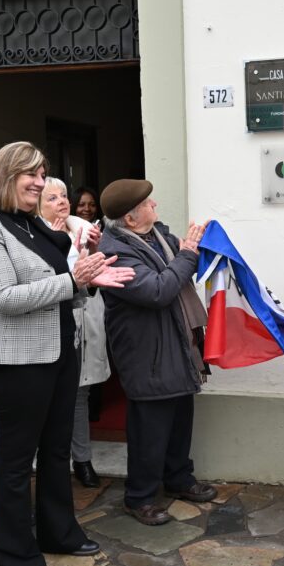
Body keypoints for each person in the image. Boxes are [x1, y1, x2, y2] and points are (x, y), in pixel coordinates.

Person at [0, 142, 133, 566]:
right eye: (33, 175)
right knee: (17, 462)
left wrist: (87, 282)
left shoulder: (32, 224)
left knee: (57, 451)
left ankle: (59, 533)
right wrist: (73, 280)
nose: (41, 183)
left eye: (43, 175)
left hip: (59, 352)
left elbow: (63, 286)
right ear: (7, 175)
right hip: (17, 362)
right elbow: (2, 297)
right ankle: (17, 556)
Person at [97, 179, 215, 526]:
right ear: (130, 219)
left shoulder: (158, 235)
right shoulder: (114, 253)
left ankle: (178, 478)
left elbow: (182, 267)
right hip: (146, 353)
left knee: (179, 418)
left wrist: (201, 247)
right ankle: (140, 497)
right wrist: (188, 255)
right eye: (149, 203)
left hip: (175, 343)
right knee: (150, 430)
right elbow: (157, 290)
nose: (155, 205)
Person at [39, 178, 110, 488]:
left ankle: (82, 460)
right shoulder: (33, 235)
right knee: (50, 397)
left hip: (87, 315)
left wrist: (94, 248)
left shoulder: (84, 227)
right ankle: (51, 462)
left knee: (81, 392)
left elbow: (98, 271)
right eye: (52, 197)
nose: (62, 202)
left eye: (64, 195)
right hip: (53, 322)